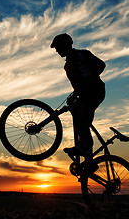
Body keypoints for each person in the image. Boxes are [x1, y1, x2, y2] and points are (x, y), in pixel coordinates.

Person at [50, 33, 105, 163]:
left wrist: (89, 79)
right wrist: (75, 94)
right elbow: (78, 84)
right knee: (81, 120)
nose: (57, 50)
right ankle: (89, 162)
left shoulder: (82, 54)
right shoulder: (67, 65)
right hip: (84, 94)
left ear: (66, 45)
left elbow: (101, 65)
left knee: (79, 111)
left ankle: (85, 146)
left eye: (58, 47)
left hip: (95, 90)